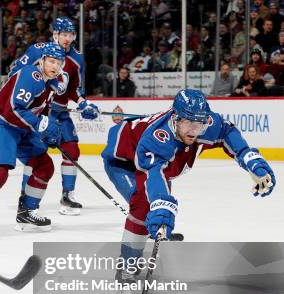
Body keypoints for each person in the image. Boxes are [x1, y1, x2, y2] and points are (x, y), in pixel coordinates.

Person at [101, 89, 275, 280]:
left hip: (156, 164)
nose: (194, 130)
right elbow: (153, 176)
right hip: (122, 162)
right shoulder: (157, 139)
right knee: (143, 206)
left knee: (151, 208)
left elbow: (227, 131)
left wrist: (252, 161)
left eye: (199, 124)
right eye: (189, 123)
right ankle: (127, 267)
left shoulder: (205, 123)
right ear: (175, 119)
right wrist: (160, 208)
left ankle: (152, 227)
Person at [0, 43, 66, 239]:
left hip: (20, 128)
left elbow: (38, 108)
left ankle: (27, 212)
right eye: (52, 61)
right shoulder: (31, 76)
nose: (55, 66)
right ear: (42, 60)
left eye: (59, 63)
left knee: (44, 166)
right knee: (0, 170)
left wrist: (45, 132)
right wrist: (39, 125)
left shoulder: (50, 82)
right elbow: (14, 108)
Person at [8, 17, 100, 216]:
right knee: (36, 155)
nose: (67, 39)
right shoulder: (37, 50)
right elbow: (14, 74)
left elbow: (75, 89)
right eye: (63, 34)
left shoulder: (77, 58)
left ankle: (68, 196)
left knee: (72, 150)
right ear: (55, 34)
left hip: (60, 112)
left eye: (70, 35)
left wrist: (83, 103)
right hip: (38, 112)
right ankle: (25, 197)